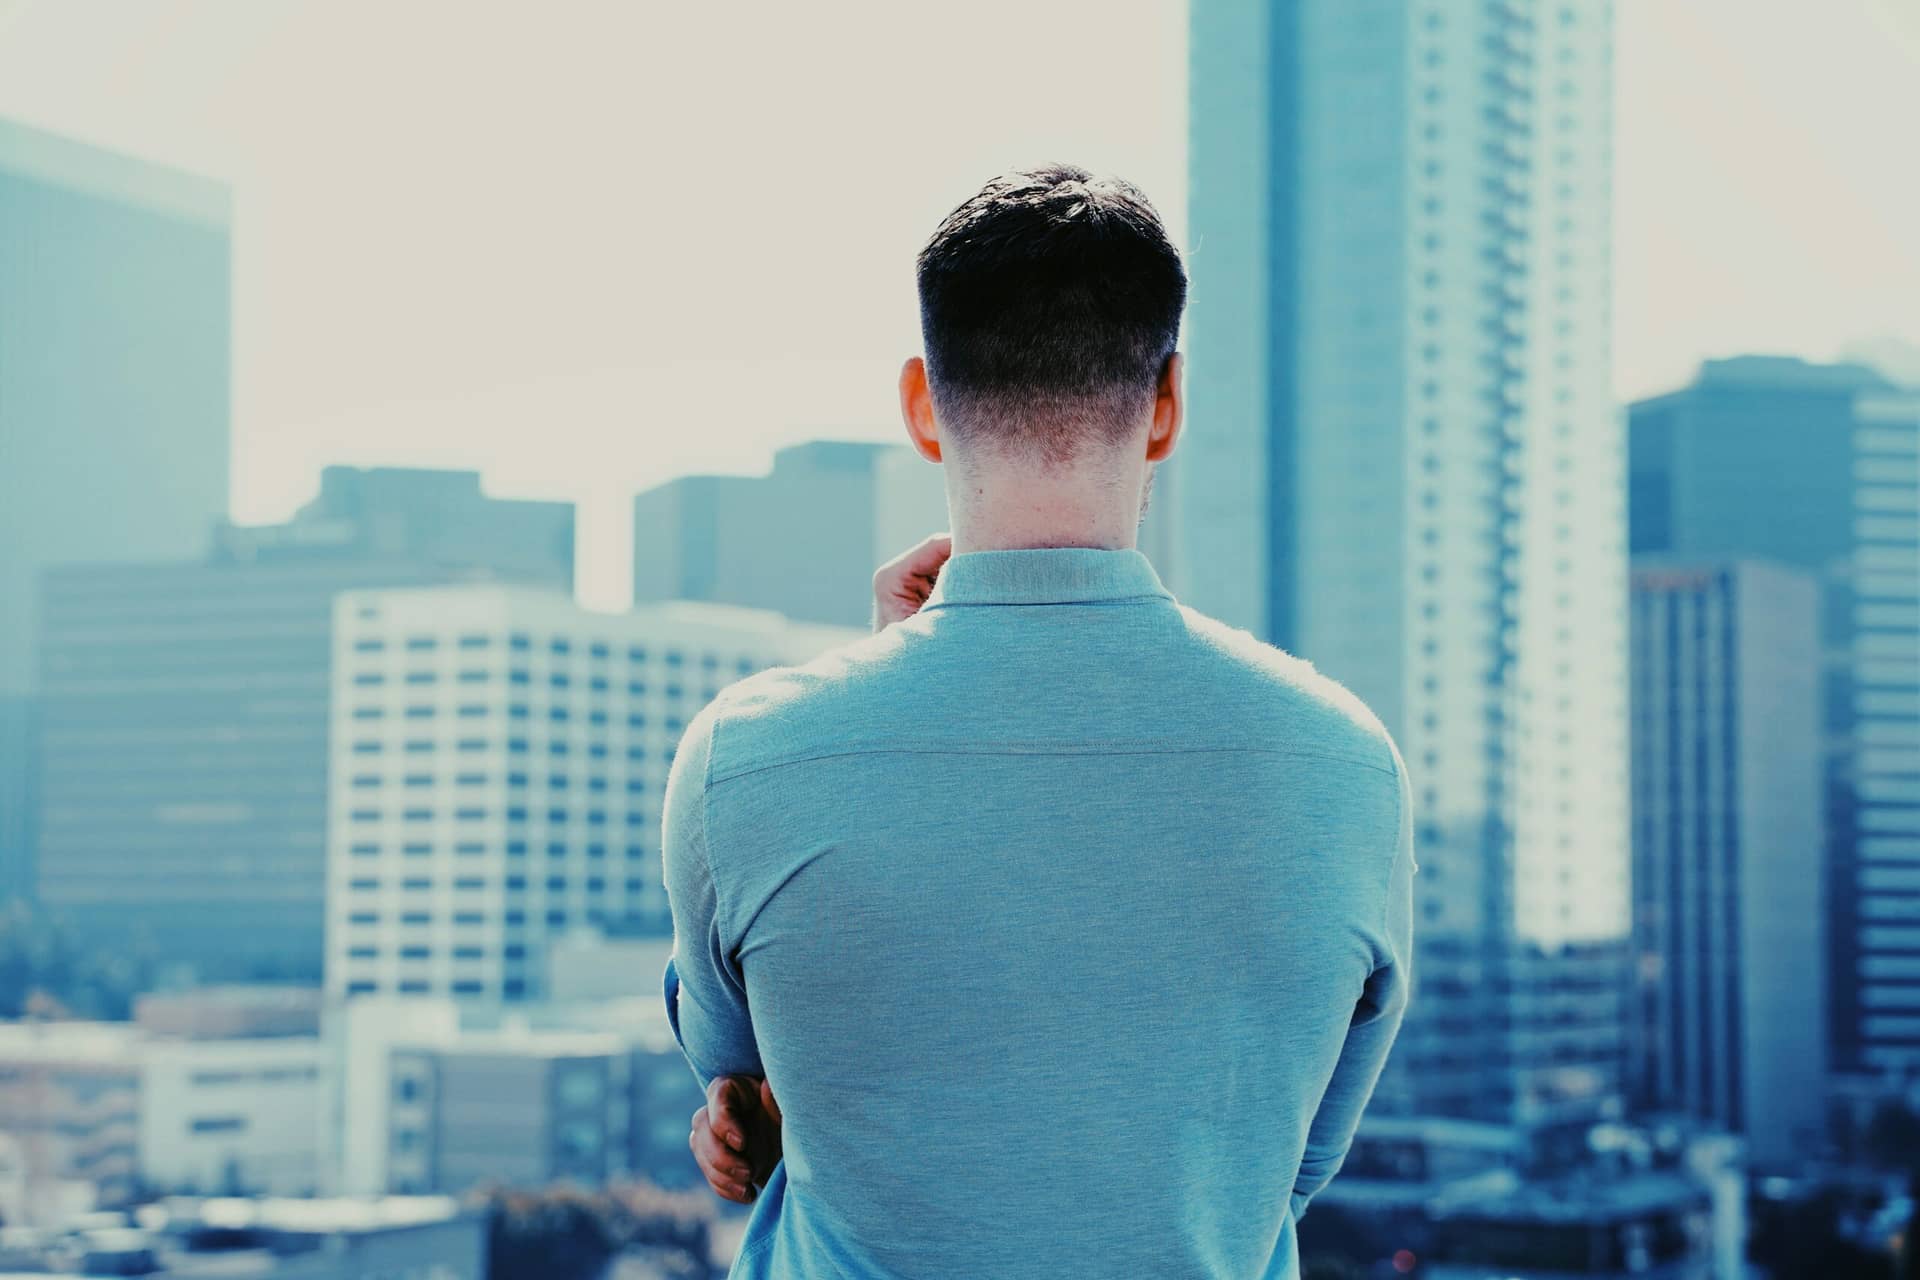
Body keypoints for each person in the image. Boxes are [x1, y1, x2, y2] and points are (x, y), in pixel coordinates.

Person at [663, 164, 1416, 1279]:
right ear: (1166, 401)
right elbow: (1283, 1167)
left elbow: (753, 1086)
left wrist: (884, 680)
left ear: (923, 403)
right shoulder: (1346, 765)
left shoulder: (745, 760)